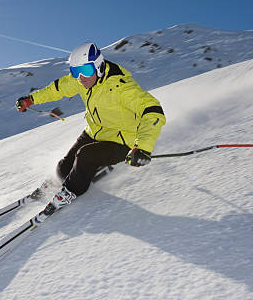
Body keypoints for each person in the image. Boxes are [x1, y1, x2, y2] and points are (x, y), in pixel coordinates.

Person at [16, 42, 165, 213]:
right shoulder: (81, 81)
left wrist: (143, 147)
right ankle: (60, 181)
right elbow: (57, 89)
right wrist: (31, 100)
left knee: (85, 156)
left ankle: (71, 191)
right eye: (75, 71)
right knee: (63, 168)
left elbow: (153, 111)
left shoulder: (120, 86)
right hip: (94, 132)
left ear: (99, 66)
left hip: (122, 140)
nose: (81, 77)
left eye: (86, 70)